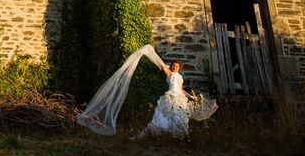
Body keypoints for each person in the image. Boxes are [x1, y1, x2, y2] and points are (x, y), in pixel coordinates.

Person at [77, 45, 217, 137]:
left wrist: (191, 97)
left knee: (179, 115)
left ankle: (177, 135)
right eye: (173, 65)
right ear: (171, 66)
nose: (174, 67)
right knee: (164, 114)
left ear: (179, 68)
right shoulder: (168, 72)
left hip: (179, 96)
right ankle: (161, 132)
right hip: (170, 96)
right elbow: (159, 62)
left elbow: (181, 89)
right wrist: (149, 49)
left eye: (176, 66)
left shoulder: (180, 77)